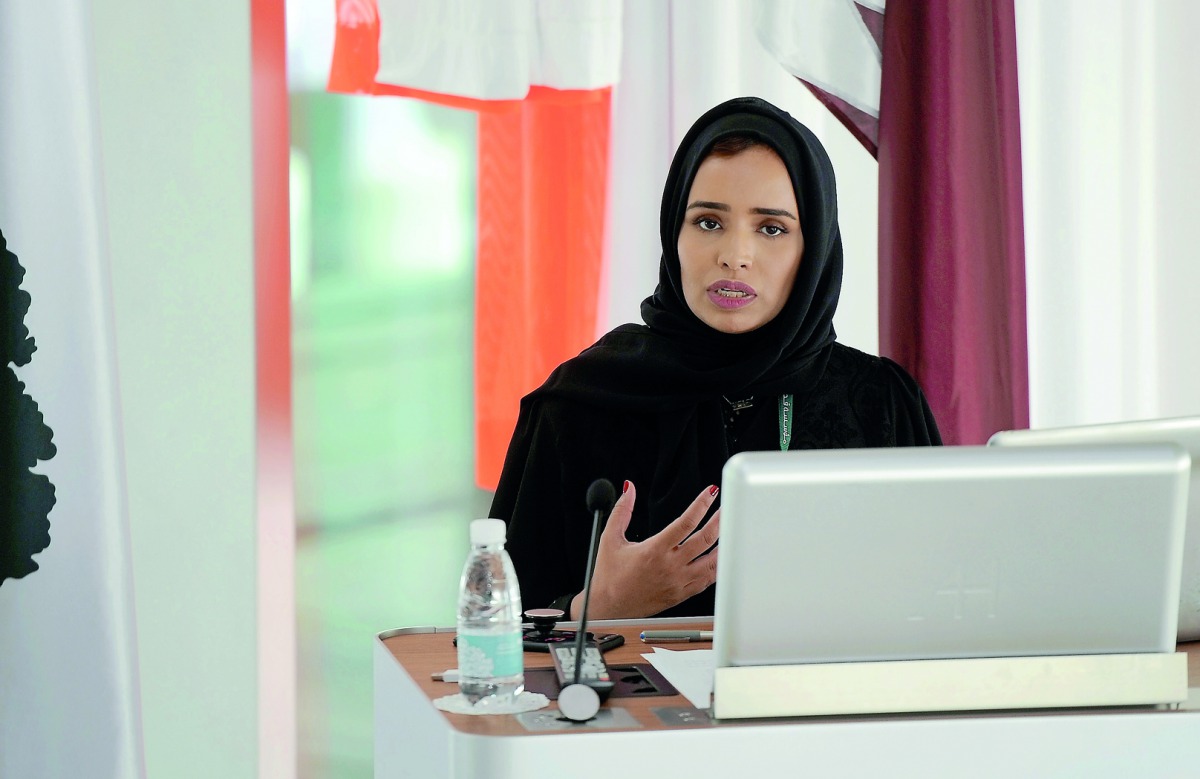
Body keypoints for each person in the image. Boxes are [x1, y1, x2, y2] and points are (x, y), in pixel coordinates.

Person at [489, 96, 941, 620]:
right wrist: (600, 607)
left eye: (771, 228)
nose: (734, 254)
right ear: (673, 233)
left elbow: (947, 612)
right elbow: (491, 646)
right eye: (708, 222)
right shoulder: (580, 404)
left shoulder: (880, 403)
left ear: (813, 246)